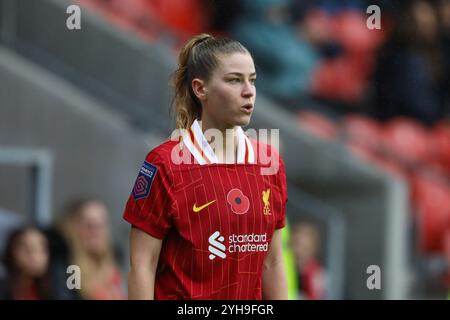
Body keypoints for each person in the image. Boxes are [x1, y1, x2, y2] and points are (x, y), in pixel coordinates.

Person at [123, 33, 288, 299]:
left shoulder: (269, 162)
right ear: (201, 89)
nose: (249, 91)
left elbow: (273, 262)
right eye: (235, 80)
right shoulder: (166, 163)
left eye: (252, 80)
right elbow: (143, 265)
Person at [60, 199, 125, 300]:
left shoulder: (115, 262)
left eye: (101, 225)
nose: (96, 232)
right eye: (89, 226)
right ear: (74, 229)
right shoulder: (70, 269)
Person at [0, 226, 51, 300]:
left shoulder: (54, 288)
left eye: (42, 249)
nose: (36, 256)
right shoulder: (3, 289)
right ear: (11, 252)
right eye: (28, 249)